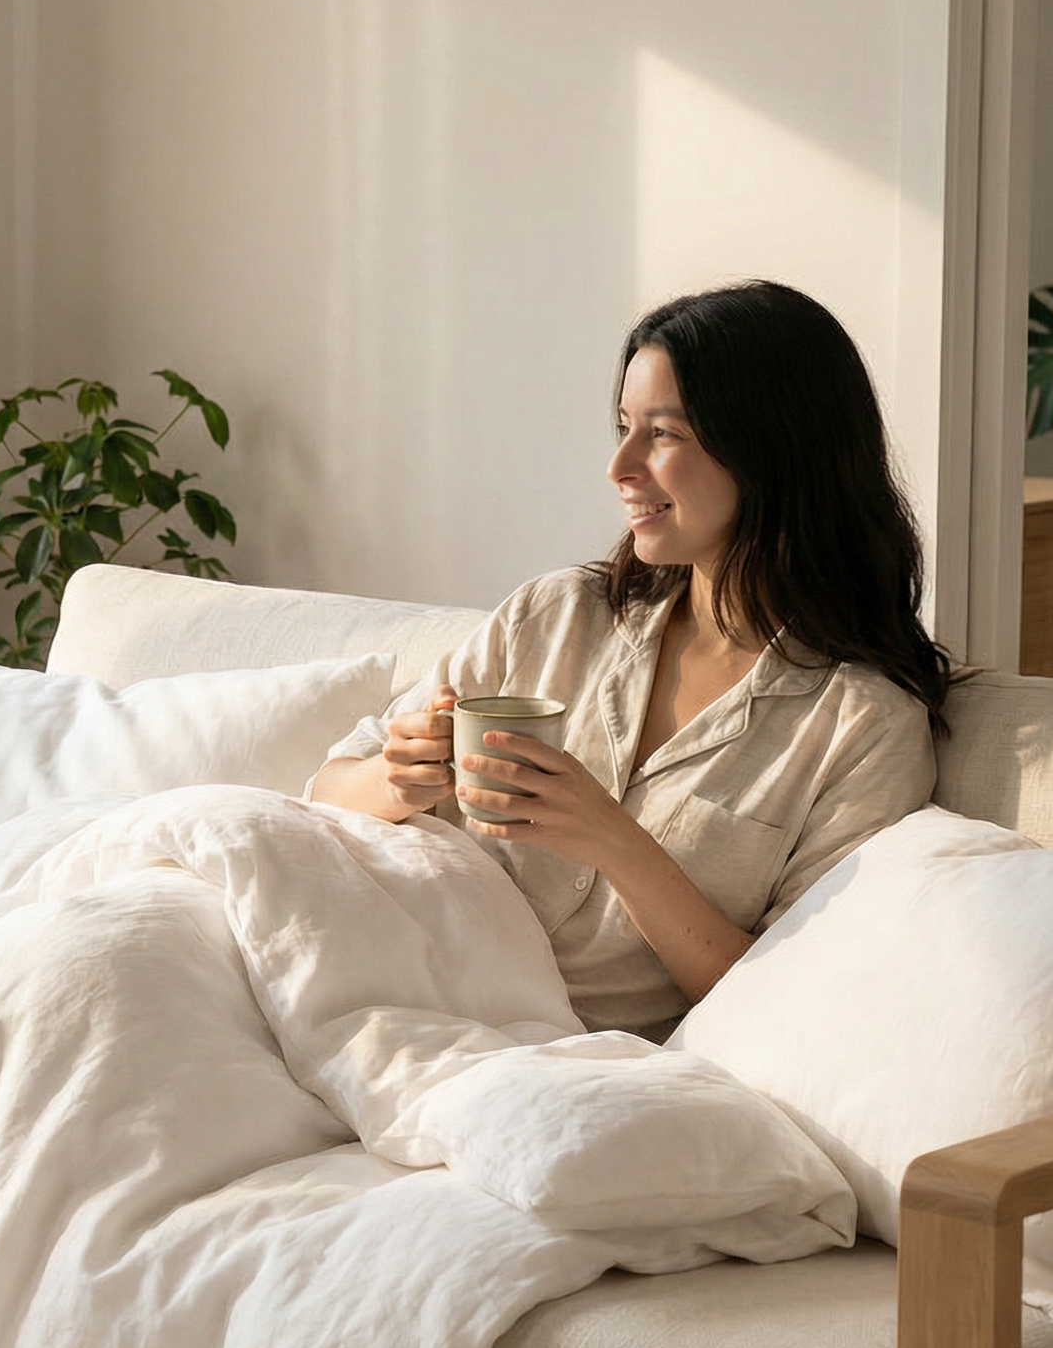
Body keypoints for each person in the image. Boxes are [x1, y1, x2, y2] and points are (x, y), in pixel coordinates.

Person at [310, 279, 951, 1039]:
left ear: (773, 452)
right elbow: (323, 793)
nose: (619, 466)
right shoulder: (554, 617)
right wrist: (398, 777)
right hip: (389, 982)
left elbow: (788, 998)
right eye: (623, 427)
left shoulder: (863, 726)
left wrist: (614, 843)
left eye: (664, 434)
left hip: (557, 1058)